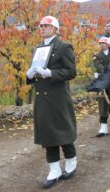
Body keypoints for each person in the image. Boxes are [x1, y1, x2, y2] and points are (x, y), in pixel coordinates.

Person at [26, 16, 77, 189]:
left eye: (46, 26)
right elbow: (34, 73)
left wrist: (51, 74)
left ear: (55, 28)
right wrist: (29, 75)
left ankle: (71, 161)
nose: (42, 28)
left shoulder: (64, 46)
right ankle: (54, 170)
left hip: (57, 97)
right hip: (42, 98)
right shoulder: (38, 48)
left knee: (63, 131)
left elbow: (71, 72)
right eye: (41, 26)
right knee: (48, 135)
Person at [93, 36, 110, 137]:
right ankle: (103, 127)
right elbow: (99, 66)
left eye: (103, 43)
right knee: (102, 103)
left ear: (108, 44)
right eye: (100, 43)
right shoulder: (96, 55)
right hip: (102, 82)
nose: (102, 44)